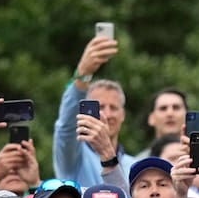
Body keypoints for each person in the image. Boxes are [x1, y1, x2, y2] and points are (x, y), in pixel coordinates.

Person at [52, 36, 137, 188]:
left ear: (123, 115)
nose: (107, 114)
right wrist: (82, 75)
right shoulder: (72, 158)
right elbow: (65, 127)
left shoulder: (136, 166)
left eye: (113, 107)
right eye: (100, 107)